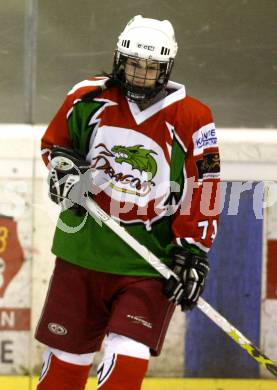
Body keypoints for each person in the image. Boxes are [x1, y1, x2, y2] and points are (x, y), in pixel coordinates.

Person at [35, 15, 220, 390]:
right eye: (133, 64)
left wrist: (194, 249)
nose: (140, 75)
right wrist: (66, 172)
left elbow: (206, 187)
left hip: (149, 262)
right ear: (120, 60)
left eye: (151, 68)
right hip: (82, 251)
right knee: (66, 365)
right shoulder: (87, 97)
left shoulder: (194, 118)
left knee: (127, 356)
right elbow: (55, 147)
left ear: (166, 69)